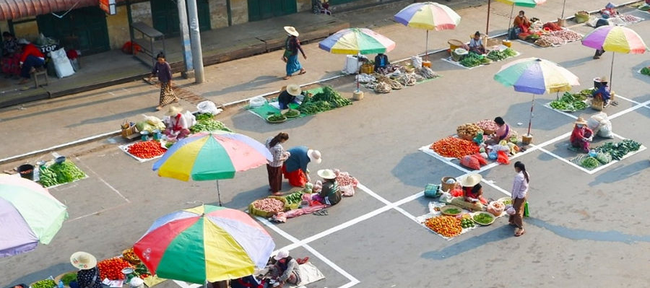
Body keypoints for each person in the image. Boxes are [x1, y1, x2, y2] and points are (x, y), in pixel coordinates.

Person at [510, 161, 530, 237]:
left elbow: (516, 189)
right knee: (518, 208)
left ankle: (521, 228)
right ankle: (513, 221)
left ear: (517, 168)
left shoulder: (519, 177)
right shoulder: (526, 173)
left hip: (519, 196)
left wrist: (513, 198)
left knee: (517, 211)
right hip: (524, 194)